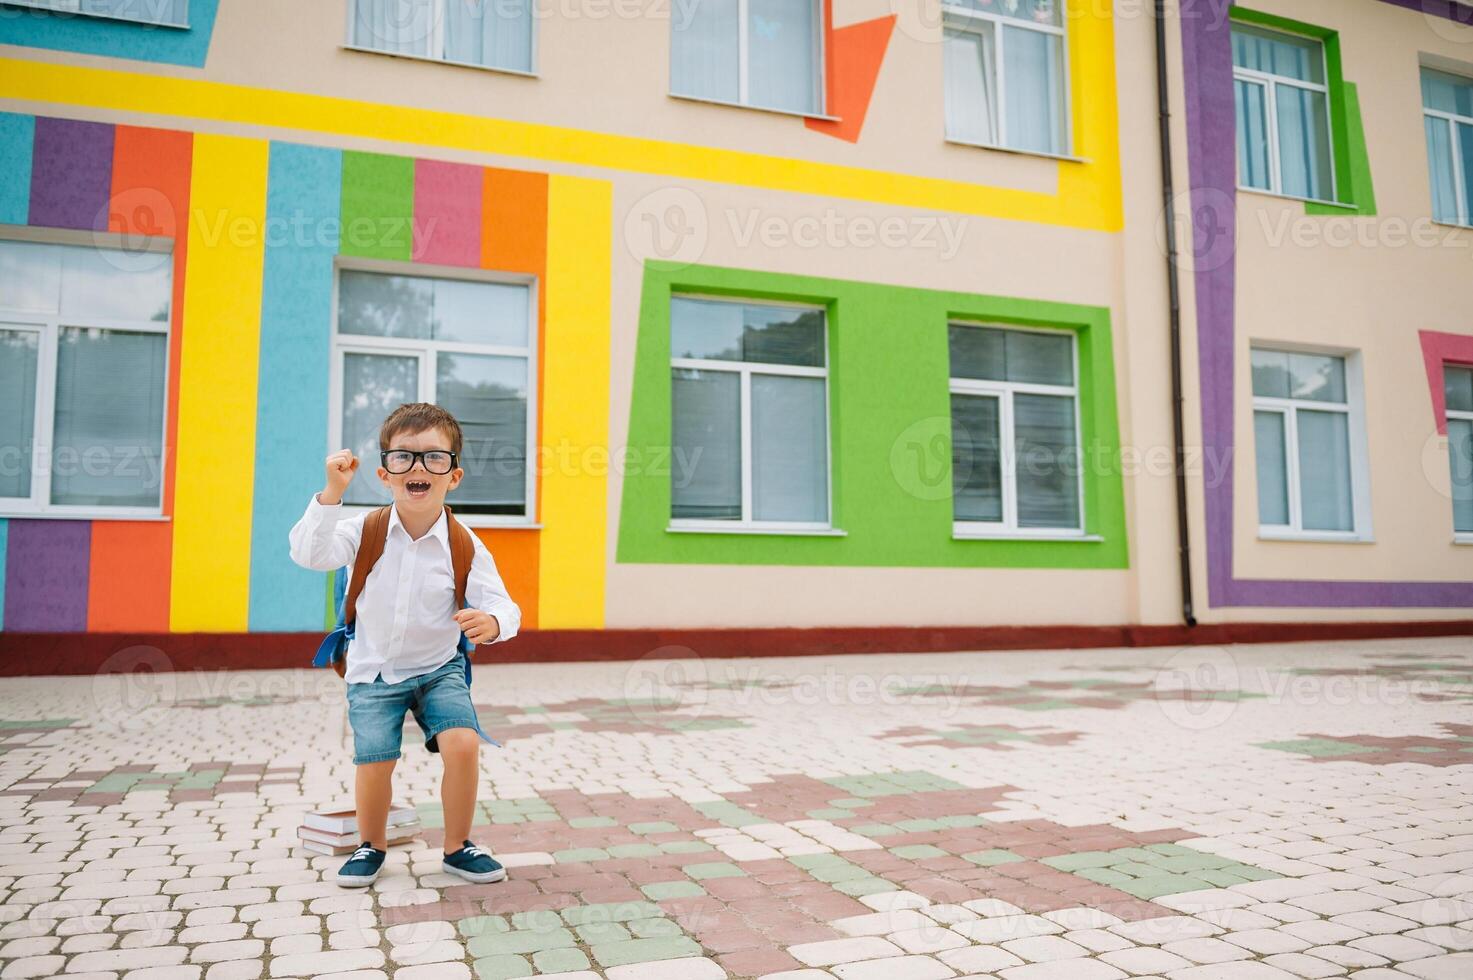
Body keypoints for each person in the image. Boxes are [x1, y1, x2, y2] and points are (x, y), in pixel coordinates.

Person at [288, 402, 522, 887]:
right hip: (372, 670)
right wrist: (332, 492)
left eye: (433, 458)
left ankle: (458, 847)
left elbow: (505, 604)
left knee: (462, 744)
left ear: (453, 476)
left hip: (439, 668)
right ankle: (370, 845)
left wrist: (494, 622)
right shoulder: (362, 530)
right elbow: (309, 554)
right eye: (404, 458)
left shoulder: (465, 544)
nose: (418, 468)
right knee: (376, 759)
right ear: (384, 473)